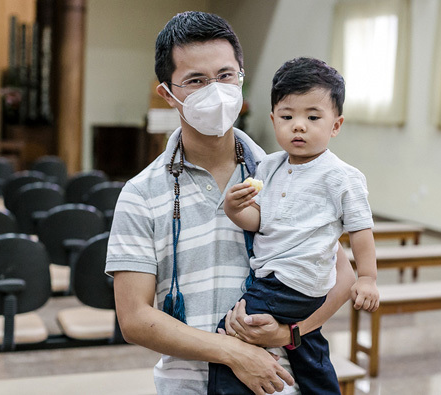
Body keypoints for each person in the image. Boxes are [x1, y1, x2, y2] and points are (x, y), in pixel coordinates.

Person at [107, 12, 357, 395]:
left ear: (241, 78)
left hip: (280, 381)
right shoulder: (141, 193)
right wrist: (233, 353)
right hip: (187, 385)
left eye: (225, 76)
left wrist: (290, 333)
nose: (216, 90)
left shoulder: (289, 175)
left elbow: (343, 278)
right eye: (196, 81)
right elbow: (135, 318)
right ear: (168, 94)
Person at [209, 57, 379, 395]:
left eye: (313, 117)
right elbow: (258, 220)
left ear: (336, 125)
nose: (298, 126)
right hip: (283, 281)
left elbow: (361, 229)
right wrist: (233, 209)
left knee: (230, 334)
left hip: (290, 281)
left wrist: (368, 278)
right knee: (306, 346)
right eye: (287, 117)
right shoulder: (269, 166)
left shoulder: (342, 176)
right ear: (274, 121)